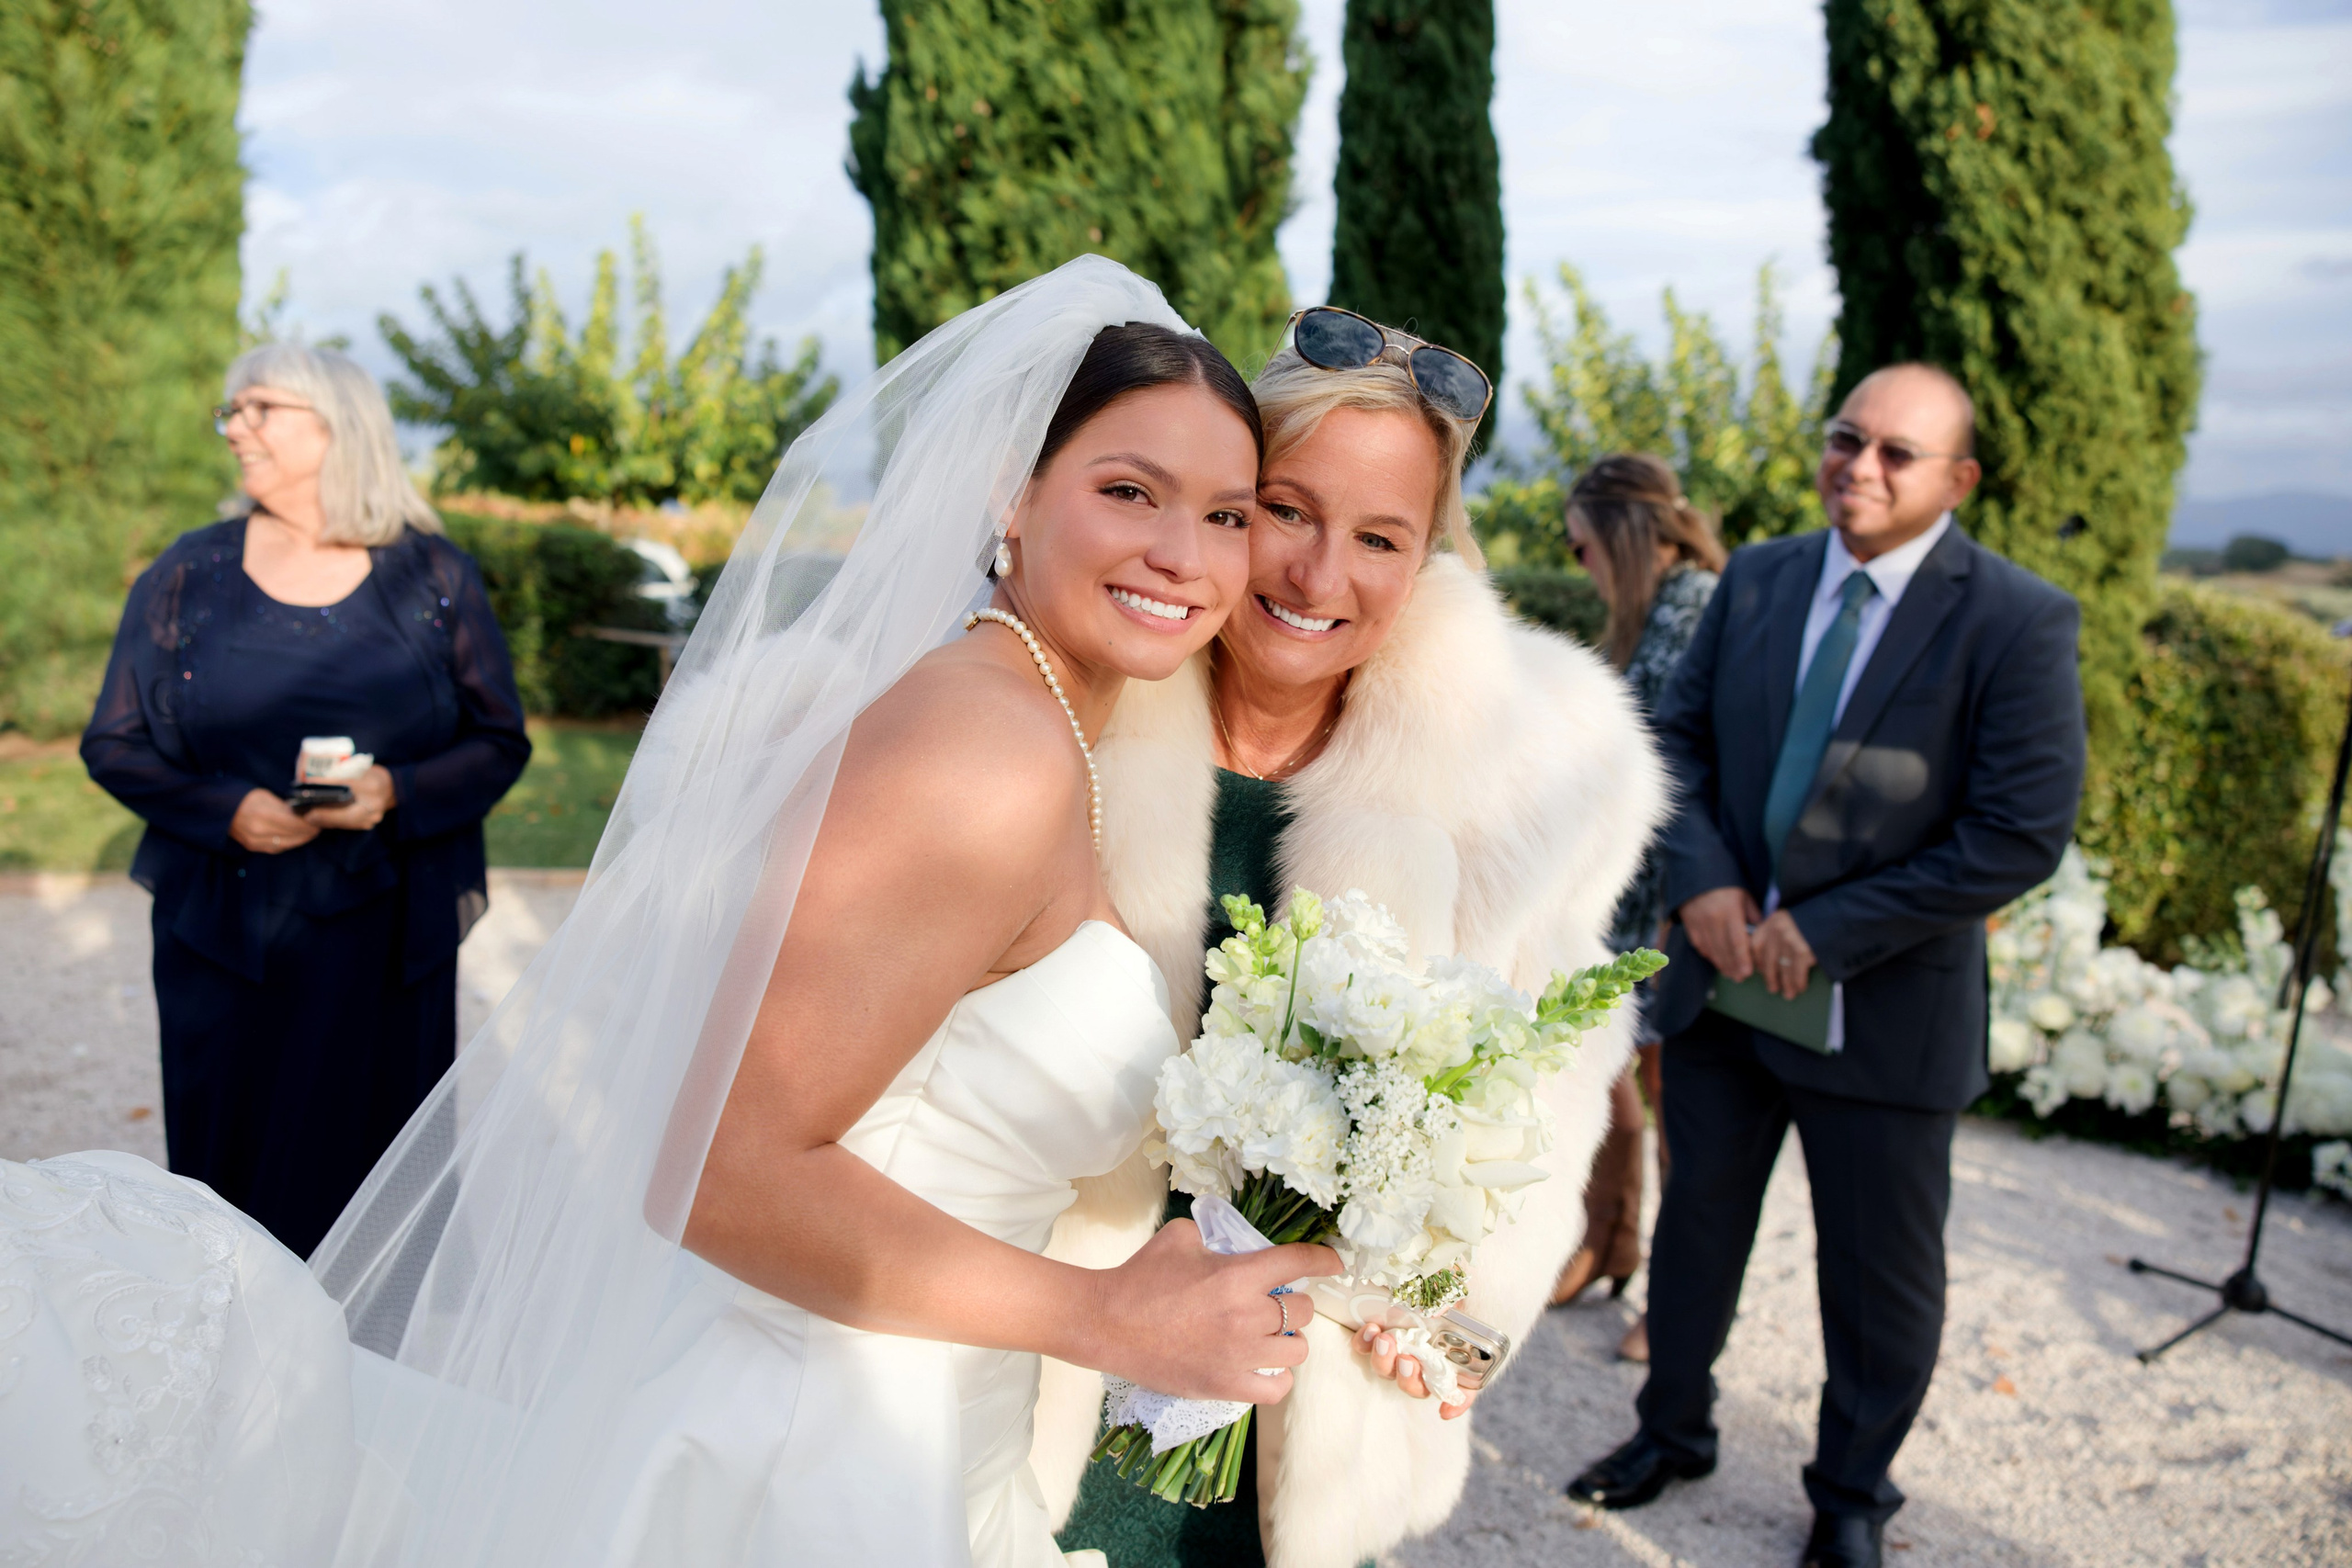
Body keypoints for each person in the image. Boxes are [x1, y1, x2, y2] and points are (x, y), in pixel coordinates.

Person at [1, 258, 1335, 1568]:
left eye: (1228, 513)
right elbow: (723, 1172)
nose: (1186, 552)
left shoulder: (1030, 719)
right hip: (813, 1453)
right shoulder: (985, 747)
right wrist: (1106, 1316)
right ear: (1012, 493)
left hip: (917, 1423)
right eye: (1128, 491)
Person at [1046, 310, 1669, 1568]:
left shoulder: (1536, 772)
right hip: (1038, 1369)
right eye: (1284, 509)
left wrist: (1452, 1319)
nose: (1320, 577)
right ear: (1224, 503)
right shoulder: (1058, 701)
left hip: (1308, 1412)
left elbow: (1546, 1088)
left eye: (1381, 536)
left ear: (1431, 548)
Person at [1565, 365, 2087, 1568]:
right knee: (1699, 1224)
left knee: (1877, 1273)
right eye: (1847, 436)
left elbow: (2017, 830)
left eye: (1898, 451)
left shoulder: (2018, 619)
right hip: (1719, 978)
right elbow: (1676, 739)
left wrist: (1830, 926)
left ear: (1958, 479)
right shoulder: (1756, 576)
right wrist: (1699, 882)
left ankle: (1852, 1492)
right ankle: (1671, 1427)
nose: (1861, 463)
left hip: (1884, 1006)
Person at [79, 343, 530, 1259]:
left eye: (260, 409)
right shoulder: (186, 574)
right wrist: (225, 809)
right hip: (224, 930)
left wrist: (395, 792)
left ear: (338, 428)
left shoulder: (435, 578)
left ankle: (367, 1379)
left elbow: (498, 740)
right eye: (230, 412)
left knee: (370, 1174)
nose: (234, 429)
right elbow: (113, 741)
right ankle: (233, 1363)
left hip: (384, 932)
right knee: (226, 1175)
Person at [1545, 456, 1724, 1368]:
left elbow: (1697, 775)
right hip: (1624, 888)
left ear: (1617, 532)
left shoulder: (1695, 611)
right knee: (1605, 1070)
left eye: (1580, 546)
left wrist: (1680, 910)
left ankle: (1673, 1300)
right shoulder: (1653, 615)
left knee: (1670, 1103)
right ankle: (1606, 1240)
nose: (1579, 565)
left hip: (1673, 899)